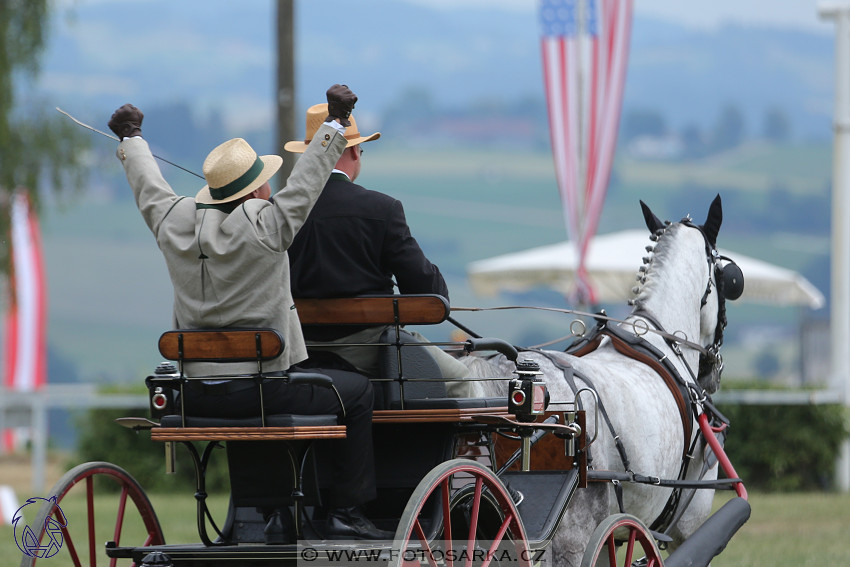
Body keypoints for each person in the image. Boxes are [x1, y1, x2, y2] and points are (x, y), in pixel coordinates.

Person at [108, 85, 392, 541]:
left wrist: (131, 139)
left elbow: (150, 189)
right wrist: (336, 125)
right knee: (355, 392)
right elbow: (307, 182)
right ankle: (346, 511)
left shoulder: (173, 224)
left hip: (195, 394)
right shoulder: (267, 226)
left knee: (261, 391)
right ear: (258, 188)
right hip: (263, 392)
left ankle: (272, 513)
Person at [285, 103, 471, 394]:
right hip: (369, 350)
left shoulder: (275, 213)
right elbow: (431, 293)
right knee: (462, 380)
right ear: (355, 152)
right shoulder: (382, 209)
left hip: (295, 351)